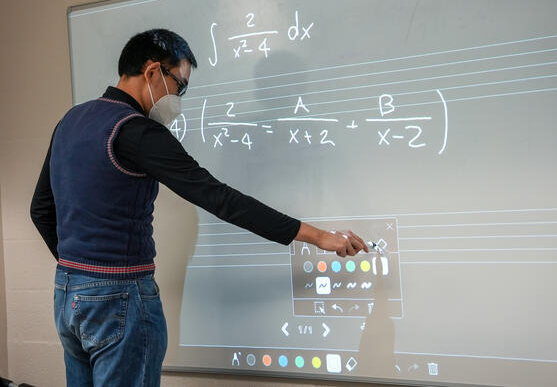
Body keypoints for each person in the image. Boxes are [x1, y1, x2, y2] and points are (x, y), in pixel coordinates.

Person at [30, 29, 368, 387]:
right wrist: (316, 236)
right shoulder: (138, 132)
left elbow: (40, 209)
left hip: (68, 296)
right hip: (120, 299)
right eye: (180, 85)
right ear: (152, 72)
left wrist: (83, 273)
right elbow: (218, 198)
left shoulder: (70, 120)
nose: (178, 97)